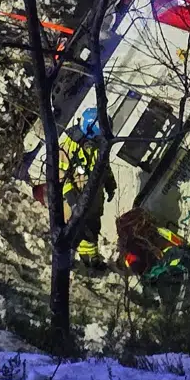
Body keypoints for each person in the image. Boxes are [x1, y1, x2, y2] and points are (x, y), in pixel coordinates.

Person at [59, 107, 116, 271]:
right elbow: (61, 178)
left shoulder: (99, 146)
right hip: (75, 199)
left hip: (94, 199)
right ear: (91, 131)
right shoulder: (68, 148)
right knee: (73, 231)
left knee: (92, 230)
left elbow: (105, 167)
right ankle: (65, 261)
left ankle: (91, 258)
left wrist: (110, 185)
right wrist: (72, 201)